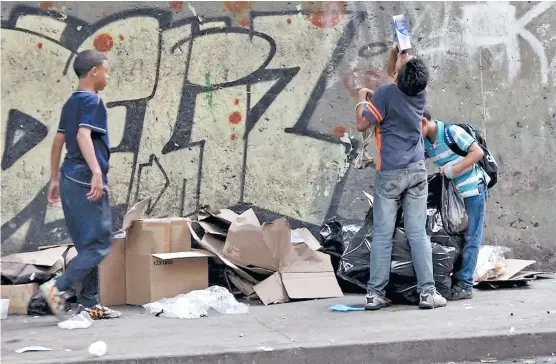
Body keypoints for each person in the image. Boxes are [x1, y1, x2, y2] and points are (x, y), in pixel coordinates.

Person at [355, 44, 447, 310]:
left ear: (399, 75)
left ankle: (375, 294)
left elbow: (363, 123)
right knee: (418, 234)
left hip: (390, 174)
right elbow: (397, 77)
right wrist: (400, 55)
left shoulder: (384, 94)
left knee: (383, 234)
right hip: (417, 169)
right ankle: (428, 293)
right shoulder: (420, 92)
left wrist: (362, 99)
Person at [41, 49, 120, 320]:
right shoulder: (92, 101)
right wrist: (97, 172)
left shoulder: (71, 102)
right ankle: (56, 287)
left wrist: (54, 179)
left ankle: (89, 304)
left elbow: (58, 141)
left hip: (68, 177)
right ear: (94, 71)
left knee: (88, 246)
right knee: (99, 244)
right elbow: (83, 135)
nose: (108, 76)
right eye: (106, 70)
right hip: (87, 178)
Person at [422, 110, 489, 300]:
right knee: (455, 237)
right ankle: (457, 280)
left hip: (473, 190)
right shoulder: (427, 142)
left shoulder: (451, 133)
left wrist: (453, 170)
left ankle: (465, 285)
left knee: (471, 237)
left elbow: (477, 153)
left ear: (423, 121)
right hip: (454, 196)